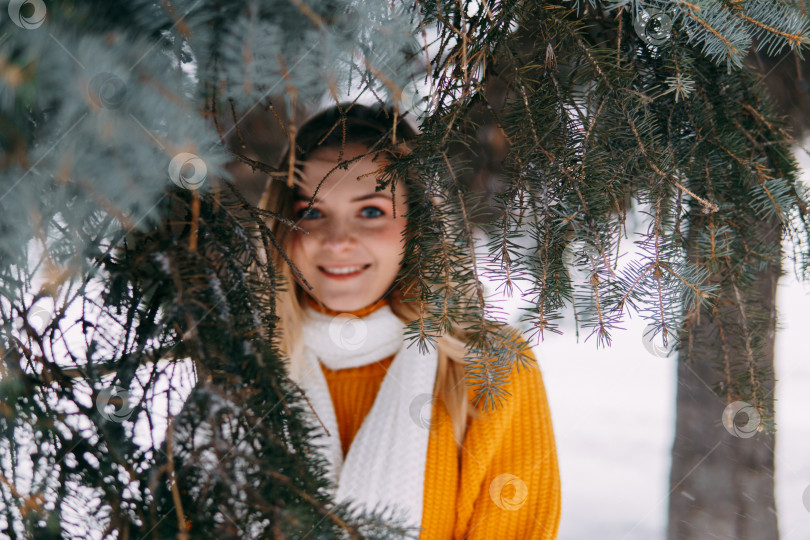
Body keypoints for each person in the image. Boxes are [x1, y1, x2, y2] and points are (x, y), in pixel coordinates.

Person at [258, 103, 561, 539]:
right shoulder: (245, 357)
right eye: (311, 212)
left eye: (371, 211)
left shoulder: (489, 368)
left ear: (417, 224)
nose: (338, 242)